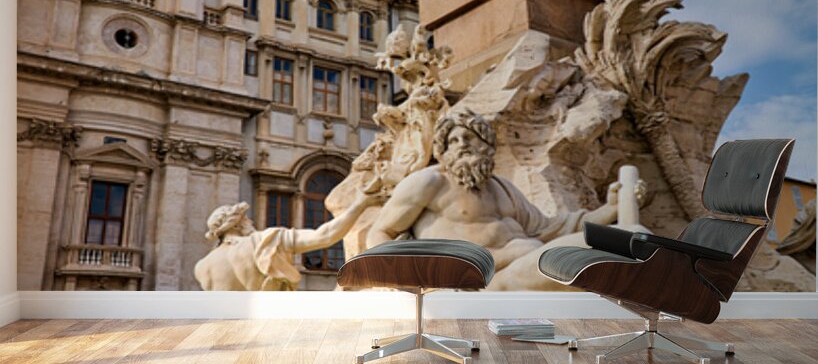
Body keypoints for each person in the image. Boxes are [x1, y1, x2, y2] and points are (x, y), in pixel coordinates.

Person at [366, 109, 637, 290]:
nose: (462, 144)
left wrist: (611, 209)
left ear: (486, 145)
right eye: (453, 141)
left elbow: (551, 228)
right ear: (444, 151)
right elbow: (380, 231)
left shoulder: (502, 187)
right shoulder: (430, 182)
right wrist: (403, 279)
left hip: (527, 264)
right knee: (607, 253)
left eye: (469, 137)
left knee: (628, 239)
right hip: (485, 282)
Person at [194, 191, 380, 291]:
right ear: (235, 224)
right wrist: (360, 204)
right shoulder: (264, 241)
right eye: (245, 218)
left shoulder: (202, 266)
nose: (250, 221)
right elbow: (325, 236)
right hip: (270, 328)